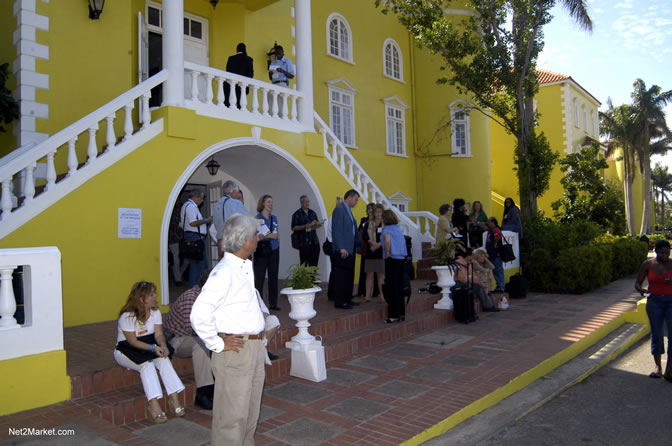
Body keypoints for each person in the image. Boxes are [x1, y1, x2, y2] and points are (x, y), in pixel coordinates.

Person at [190, 214, 267, 445]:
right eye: (255, 234)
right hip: (236, 352)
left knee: (249, 415)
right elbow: (198, 314)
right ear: (245, 240)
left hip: (252, 349)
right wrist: (218, 344)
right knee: (231, 419)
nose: (258, 238)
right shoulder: (224, 272)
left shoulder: (243, 267)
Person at [114, 281, 185, 424]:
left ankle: (174, 397)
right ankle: (153, 403)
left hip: (148, 346)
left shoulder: (155, 312)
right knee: (147, 365)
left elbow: (158, 334)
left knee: (164, 359)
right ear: (141, 299)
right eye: (151, 294)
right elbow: (132, 342)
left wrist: (163, 345)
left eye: (154, 293)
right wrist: (153, 348)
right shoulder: (127, 316)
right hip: (126, 349)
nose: (155, 296)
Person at [163, 271, 214, 410]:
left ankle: (213, 385)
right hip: (177, 339)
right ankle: (203, 392)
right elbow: (194, 330)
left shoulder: (207, 298)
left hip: (193, 336)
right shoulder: (191, 299)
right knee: (202, 344)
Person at [635, 240, 672, 381]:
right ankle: (658, 366)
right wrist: (642, 291)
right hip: (654, 302)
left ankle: (670, 368)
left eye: (667, 253)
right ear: (655, 251)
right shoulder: (647, 264)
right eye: (662, 252)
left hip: (671, 301)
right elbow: (637, 283)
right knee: (656, 334)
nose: (664, 255)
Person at [330, 189, 362, 309]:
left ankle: (347, 298)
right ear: (349, 197)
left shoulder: (348, 211)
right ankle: (340, 301)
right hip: (343, 250)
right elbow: (337, 230)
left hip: (350, 248)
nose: (356, 202)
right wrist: (341, 247)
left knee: (349, 276)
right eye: (355, 200)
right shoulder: (339, 209)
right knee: (341, 276)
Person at [254, 195, 280, 311]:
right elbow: (259, 235)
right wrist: (271, 236)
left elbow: (276, 233)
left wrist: (273, 236)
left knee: (273, 277)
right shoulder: (257, 218)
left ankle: (273, 304)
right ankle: (258, 304)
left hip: (274, 249)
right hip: (262, 250)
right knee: (259, 278)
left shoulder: (274, 218)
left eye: (272, 202)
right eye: (268, 202)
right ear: (263, 203)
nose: (271, 204)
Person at [181, 190, 212, 288]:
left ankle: (194, 289)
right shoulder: (191, 207)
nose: (202, 201)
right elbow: (193, 223)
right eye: (201, 198)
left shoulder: (186, 206)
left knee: (195, 266)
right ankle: (196, 290)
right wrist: (207, 220)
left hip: (191, 237)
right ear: (195, 197)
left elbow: (181, 225)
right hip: (195, 238)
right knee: (199, 266)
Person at [381, 209, 407, 323]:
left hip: (392, 259)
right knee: (399, 287)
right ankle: (401, 313)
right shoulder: (398, 228)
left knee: (392, 287)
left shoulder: (386, 229)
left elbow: (387, 241)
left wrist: (387, 252)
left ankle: (393, 315)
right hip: (401, 259)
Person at [214, 180, 248, 259]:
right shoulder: (235, 203)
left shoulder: (217, 203)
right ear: (233, 191)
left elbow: (215, 222)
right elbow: (247, 220)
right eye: (237, 191)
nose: (238, 194)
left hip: (221, 242)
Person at [361, 204, 385, 304]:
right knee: (369, 274)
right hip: (371, 251)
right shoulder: (369, 223)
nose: (378, 214)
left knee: (380, 275)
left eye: (380, 212)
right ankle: (367, 296)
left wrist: (377, 245)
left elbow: (387, 237)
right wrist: (372, 243)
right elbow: (365, 236)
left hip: (381, 251)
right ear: (374, 213)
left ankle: (383, 296)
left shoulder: (385, 224)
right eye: (377, 212)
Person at [291, 195, 321, 267]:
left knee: (314, 264)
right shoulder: (297, 214)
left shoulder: (312, 213)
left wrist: (317, 225)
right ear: (301, 203)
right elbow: (293, 227)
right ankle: (304, 278)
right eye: (305, 202)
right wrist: (305, 226)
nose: (307, 203)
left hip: (314, 242)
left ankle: (312, 278)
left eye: (308, 201)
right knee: (304, 264)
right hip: (304, 243)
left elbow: (316, 223)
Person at [224, 42, 254, 109]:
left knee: (231, 103)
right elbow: (251, 74)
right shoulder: (249, 60)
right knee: (241, 105)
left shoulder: (231, 58)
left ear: (237, 50)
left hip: (232, 85)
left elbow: (227, 72)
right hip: (242, 86)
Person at [471, 248, 499, 312]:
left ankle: (487, 293)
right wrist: (488, 270)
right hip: (476, 281)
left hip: (480, 279)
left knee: (488, 274)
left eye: (484, 256)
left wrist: (486, 259)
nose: (483, 258)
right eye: (482, 256)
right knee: (486, 273)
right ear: (478, 256)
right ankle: (488, 303)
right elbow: (483, 270)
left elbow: (493, 267)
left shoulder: (483, 262)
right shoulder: (474, 262)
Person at [356, 203, 376, 297]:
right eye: (368, 209)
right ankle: (362, 291)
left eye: (371, 209)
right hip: (365, 248)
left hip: (375, 248)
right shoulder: (364, 220)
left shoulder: (377, 221)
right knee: (363, 270)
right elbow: (359, 232)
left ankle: (375, 292)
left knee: (375, 271)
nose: (369, 211)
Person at [486, 217, 506, 293]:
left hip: (496, 254)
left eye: (489, 222)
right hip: (491, 254)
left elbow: (497, 238)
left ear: (493, 223)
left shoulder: (496, 230)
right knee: (495, 270)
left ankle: (501, 287)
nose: (488, 223)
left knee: (498, 270)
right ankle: (498, 285)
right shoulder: (490, 230)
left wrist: (495, 243)